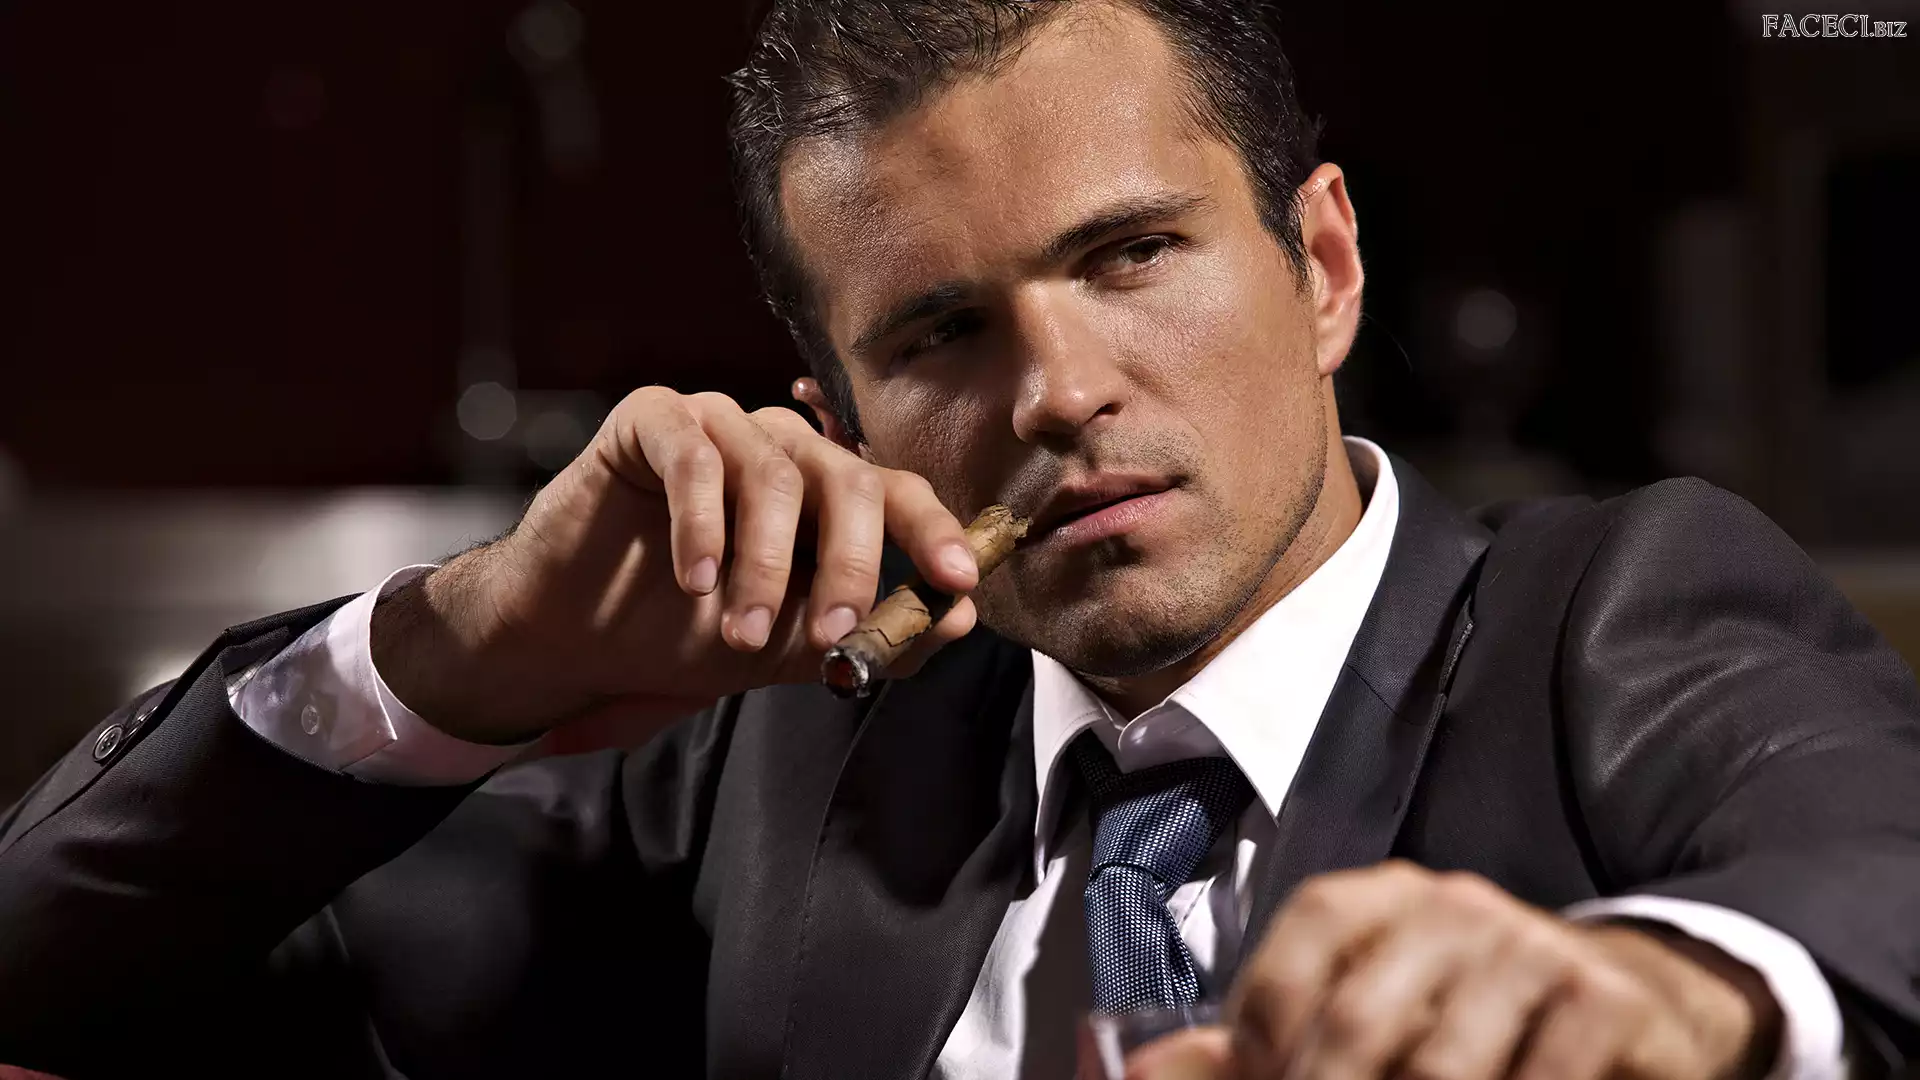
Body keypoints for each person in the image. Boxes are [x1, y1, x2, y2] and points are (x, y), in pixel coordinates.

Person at [3, 0, 1918, 1077]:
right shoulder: (781, 767)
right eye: (938, 334)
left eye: (1132, 256)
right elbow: (56, 964)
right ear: (842, 421)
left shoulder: (1609, 619)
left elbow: (1881, 882)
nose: (1057, 392)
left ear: (1323, 268)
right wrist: (467, 647)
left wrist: (1683, 992)